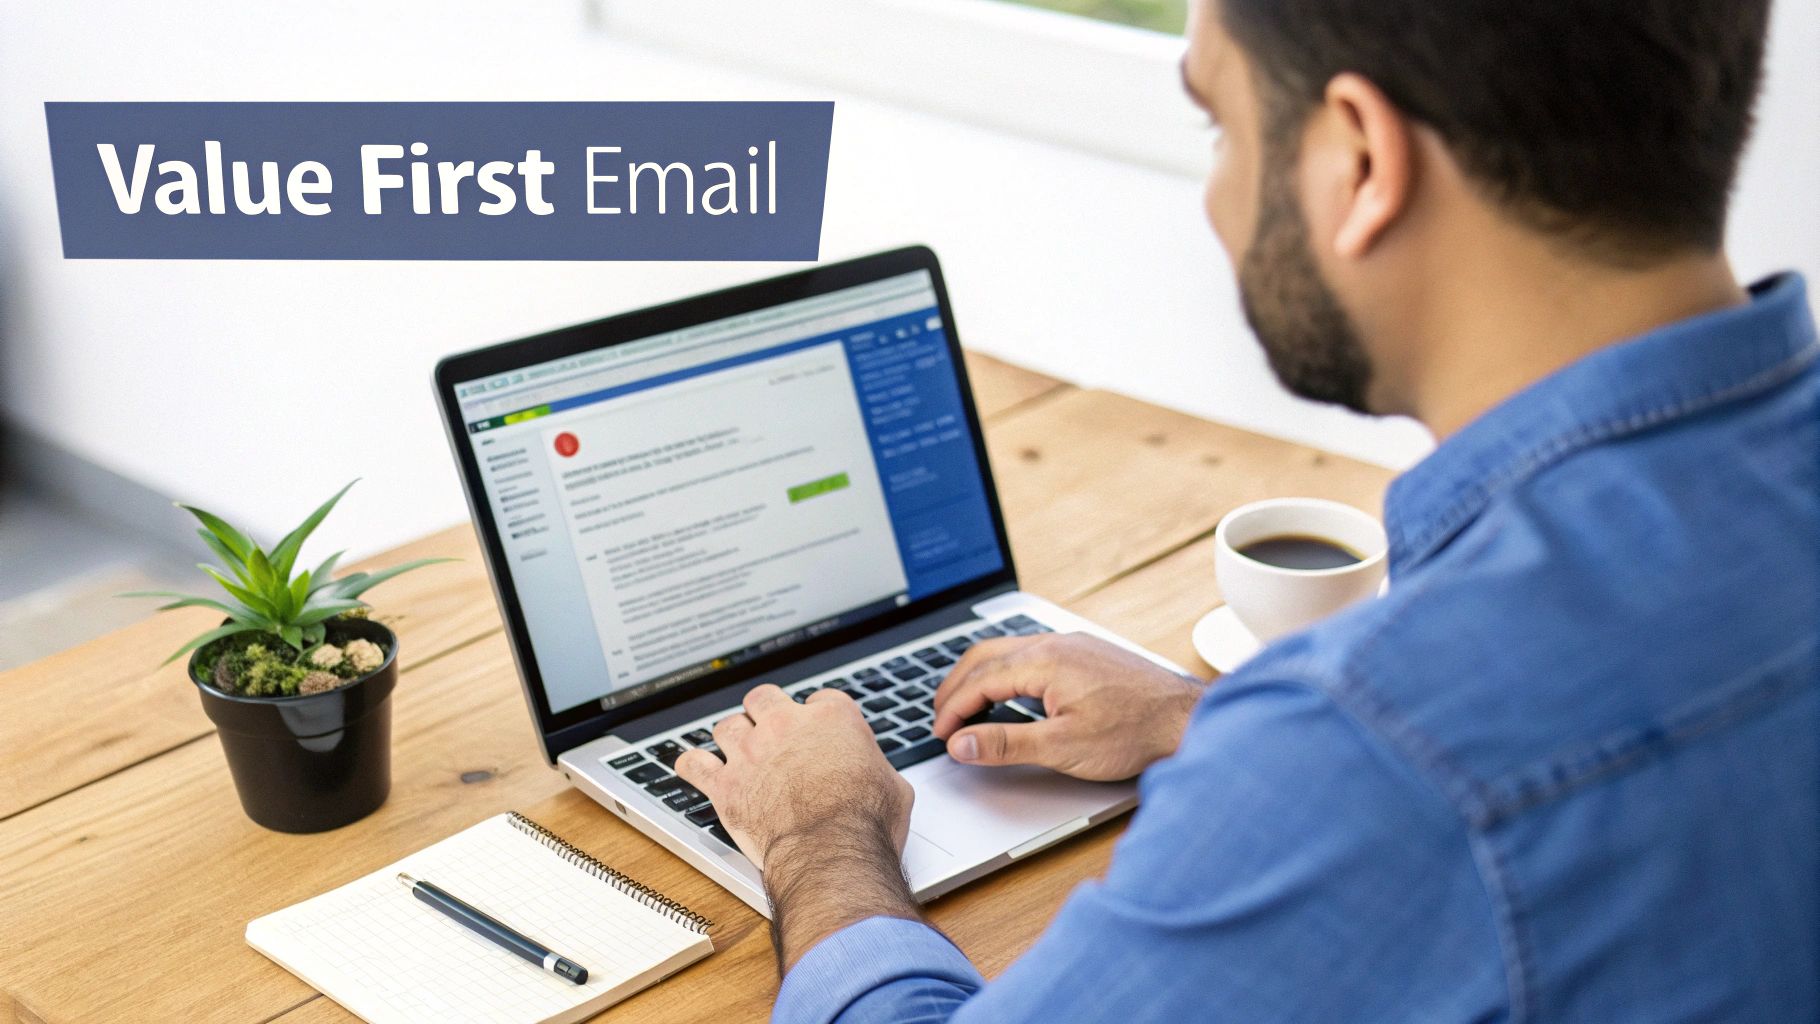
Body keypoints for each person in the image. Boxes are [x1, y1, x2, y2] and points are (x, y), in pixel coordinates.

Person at [675, 0, 1819, 1019]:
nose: (1218, 199)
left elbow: (1426, 773)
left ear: (1359, 159)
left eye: (1219, 126)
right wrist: (1195, 716)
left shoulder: (1374, 755)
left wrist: (814, 830)